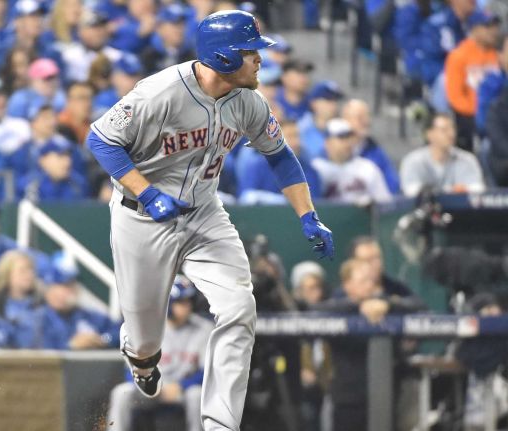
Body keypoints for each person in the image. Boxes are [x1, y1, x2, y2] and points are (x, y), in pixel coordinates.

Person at [85, 11, 334, 429]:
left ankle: (219, 423)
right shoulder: (158, 92)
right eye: (250, 52)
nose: (259, 60)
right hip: (142, 218)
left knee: (239, 306)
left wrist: (309, 217)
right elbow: (102, 140)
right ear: (222, 58)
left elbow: (281, 158)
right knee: (146, 338)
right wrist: (147, 192)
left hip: (204, 214)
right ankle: (142, 359)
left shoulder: (250, 102)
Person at [311, 259, 426, 431]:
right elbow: (316, 311)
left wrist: (388, 304)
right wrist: (360, 306)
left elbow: (419, 306)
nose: (369, 285)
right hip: (349, 399)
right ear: (348, 285)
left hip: (386, 395)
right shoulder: (338, 304)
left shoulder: (385, 303)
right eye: (363, 281)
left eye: (372, 280)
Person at [107, 277, 212, 431]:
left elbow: (208, 372)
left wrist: (182, 386)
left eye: (188, 302)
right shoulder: (145, 328)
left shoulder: (204, 329)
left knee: (196, 395)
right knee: (121, 393)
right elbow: (131, 369)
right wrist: (148, 387)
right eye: (181, 302)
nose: (187, 307)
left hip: (182, 390)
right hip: (151, 389)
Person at [444, 11, 501, 151]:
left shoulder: (500, 54)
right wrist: (478, 112)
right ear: (474, 29)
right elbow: (455, 97)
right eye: (487, 26)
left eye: (495, 26)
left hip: (498, 112)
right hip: (469, 116)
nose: (493, 31)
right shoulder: (459, 55)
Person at [35, 263, 120, 350]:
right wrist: (71, 346)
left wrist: (102, 340)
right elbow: (37, 350)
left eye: (73, 285)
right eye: (65, 286)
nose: (71, 291)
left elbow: (120, 333)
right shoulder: (38, 318)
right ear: (49, 289)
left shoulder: (87, 315)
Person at [235, 120, 322, 204]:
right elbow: (246, 198)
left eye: (297, 136)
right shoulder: (257, 167)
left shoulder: (309, 172)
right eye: (290, 136)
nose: (296, 142)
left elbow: (312, 207)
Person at [399, 113, 486, 197]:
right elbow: (411, 192)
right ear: (429, 134)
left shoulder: (467, 159)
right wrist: (450, 192)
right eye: (444, 130)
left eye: (452, 129)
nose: (451, 134)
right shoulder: (412, 161)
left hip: (460, 212)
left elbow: (477, 190)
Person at [312, 119, 392, 205]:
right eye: (341, 137)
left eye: (349, 137)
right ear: (327, 142)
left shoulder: (368, 168)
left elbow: (385, 202)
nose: (347, 142)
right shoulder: (317, 168)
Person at [341, 99, 400, 194]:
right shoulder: (331, 151)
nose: (366, 122)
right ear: (345, 121)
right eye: (359, 118)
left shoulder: (376, 152)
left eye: (367, 117)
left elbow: (392, 187)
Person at [0, 250, 44, 348]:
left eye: (31, 270)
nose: (29, 275)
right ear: (7, 274)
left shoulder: (42, 303)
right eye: (22, 270)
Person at [59, 8, 123, 82]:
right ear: (80, 31)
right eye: (93, 28)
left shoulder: (116, 56)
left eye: (101, 27)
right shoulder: (68, 56)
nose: (98, 32)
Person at [17, 139, 90, 202]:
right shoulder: (29, 184)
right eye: (60, 156)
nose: (67, 162)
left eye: (68, 156)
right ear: (43, 160)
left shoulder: (78, 184)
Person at [140, 3, 194, 75]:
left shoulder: (191, 57)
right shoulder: (148, 57)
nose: (180, 29)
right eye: (175, 23)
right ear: (160, 28)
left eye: (182, 24)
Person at [298, 80, 344, 159]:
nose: (333, 105)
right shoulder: (300, 128)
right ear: (313, 103)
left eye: (335, 100)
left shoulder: (343, 128)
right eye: (328, 99)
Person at [93, 54, 144, 118]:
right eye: (130, 75)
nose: (135, 80)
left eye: (137, 75)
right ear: (115, 77)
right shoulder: (104, 100)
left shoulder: (144, 98)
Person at [57, 81, 94, 145]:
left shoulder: (92, 127)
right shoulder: (58, 127)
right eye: (82, 98)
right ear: (69, 102)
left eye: (90, 98)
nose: (88, 104)